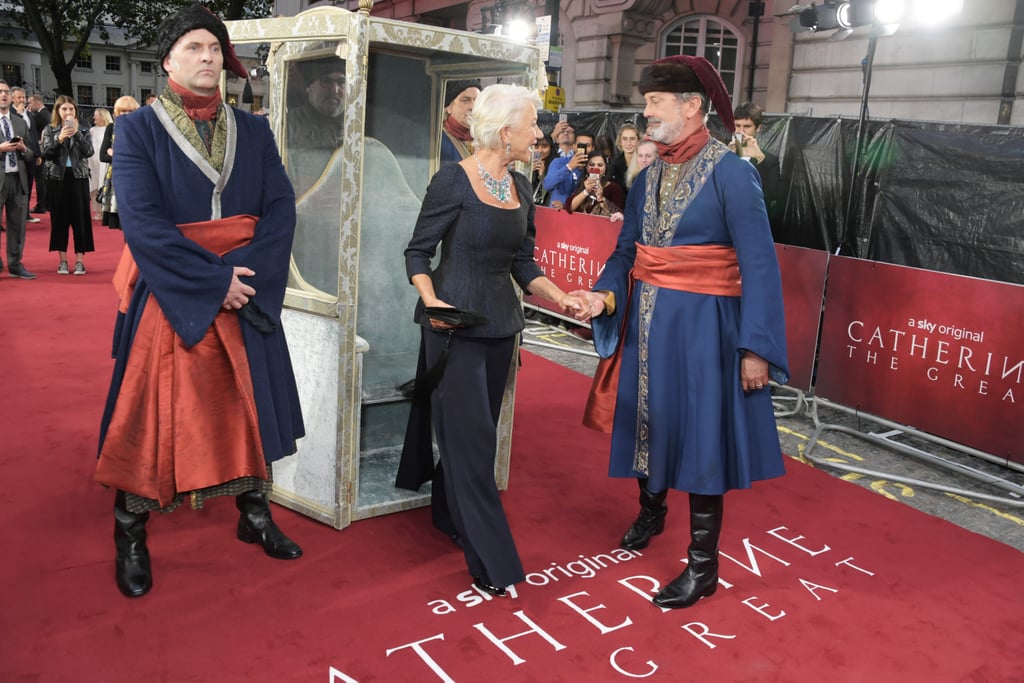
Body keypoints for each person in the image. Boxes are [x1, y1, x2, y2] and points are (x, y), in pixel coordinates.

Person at [94, 4, 305, 598]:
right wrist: (215, 284)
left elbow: (281, 209)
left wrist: (250, 280)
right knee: (155, 418)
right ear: (167, 61)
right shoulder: (136, 130)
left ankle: (254, 515)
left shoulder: (255, 129)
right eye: (194, 47)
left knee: (249, 409)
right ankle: (130, 529)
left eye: (215, 48)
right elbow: (142, 224)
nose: (208, 57)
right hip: (174, 289)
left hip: (247, 287)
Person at [570, 55, 789, 610]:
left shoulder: (734, 173)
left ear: (692, 107)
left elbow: (759, 264)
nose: (645, 112)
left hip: (706, 334)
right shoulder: (650, 174)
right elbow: (626, 253)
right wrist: (602, 293)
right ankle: (651, 511)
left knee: (702, 439)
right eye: (646, 103)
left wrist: (756, 347)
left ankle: (703, 566)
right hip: (645, 325)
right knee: (649, 418)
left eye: (654, 102)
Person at [400, 84, 586, 597]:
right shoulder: (451, 181)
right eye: (532, 125)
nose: (540, 134)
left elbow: (523, 263)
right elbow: (418, 253)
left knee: (474, 436)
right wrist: (432, 300)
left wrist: (560, 295)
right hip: (452, 325)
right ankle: (492, 560)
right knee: (472, 441)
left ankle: (445, 512)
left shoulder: (523, 188)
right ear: (506, 131)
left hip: (502, 327)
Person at [41, 96, 95, 275]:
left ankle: (80, 260)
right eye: (64, 109)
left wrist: (77, 134)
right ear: (58, 111)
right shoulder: (49, 130)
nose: (68, 112)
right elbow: (47, 154)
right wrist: (60, 139)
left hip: (79, 178)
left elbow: (89, 152)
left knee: (80, 220)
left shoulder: (85, 129)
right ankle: (62, 261)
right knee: (59, 220)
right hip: (57, 179)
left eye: (71, 109)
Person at [286, 54, 346, 197]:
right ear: (309, 88)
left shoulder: (357, 126)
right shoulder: (288, 126)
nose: (334, 90)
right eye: (326, 81)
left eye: (341, 82)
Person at [729, 102, 783, 238]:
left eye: (747, 126)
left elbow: (774, 194)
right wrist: (724, 157)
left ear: (758, 128)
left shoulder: (768, 160)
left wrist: (759, 157)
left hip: (752, 227)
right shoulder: (724, 152)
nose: (741, 131)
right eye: (737, 125)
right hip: (725, 224)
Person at [0, 80, 37, 279]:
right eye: (0, 92)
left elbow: (30, 153)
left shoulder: (20, 122)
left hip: (18, 179)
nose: (4, 95)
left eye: (6, 92)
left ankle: (15, 264)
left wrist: (23, 149)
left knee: (17, 225)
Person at [99, 96, 141, 230]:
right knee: (123, 225)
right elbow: (103, 156)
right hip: (117, 181)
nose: (127, 115)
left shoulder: (142, 130)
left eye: (131, 111)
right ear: (116, 113)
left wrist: (116, 153)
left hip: (138, 181)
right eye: (123, 111)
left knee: (137, 222)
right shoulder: (111, 128)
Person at [10, 87, 41, 224]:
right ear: (12, 98)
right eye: (19, 97)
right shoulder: (9, 113)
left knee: (27, 185)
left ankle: (25, 212)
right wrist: (18, 115)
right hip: (14, 157)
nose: (22, 100)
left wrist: (38, 154)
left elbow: (34, 135)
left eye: (23, 97)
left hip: (29, 155)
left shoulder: (29, 114)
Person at [543, 128, 593, 209]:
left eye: (587, 146)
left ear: (593, 148)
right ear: (574, 147)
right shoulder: (559, 162)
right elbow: (548, 185)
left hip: (581, 216)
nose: (583, 149)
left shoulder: (593, 167)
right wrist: (569, 167)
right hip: (558, 215)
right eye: (580, 145)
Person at [569, 150, 624, 218]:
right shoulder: (582, 185)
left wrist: (601, 198)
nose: (596, 168)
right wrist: (586, 191)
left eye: (600, 165)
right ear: (586, 167)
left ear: (605, 168)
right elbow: (570, 208)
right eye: (592, 165)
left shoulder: (613, 188)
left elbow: (618, 215)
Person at [439, 79, 480, 166]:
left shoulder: (486, 139)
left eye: (477, 101)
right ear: (449, 108)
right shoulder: (439, 140)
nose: (473, 107)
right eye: (465, 101)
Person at [88, 108, 112, 220]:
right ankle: (98, 211)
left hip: (104, 162)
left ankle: (106, 210)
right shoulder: (92, 130)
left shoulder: (109, 129)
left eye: (96, 115)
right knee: (94, 186)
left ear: (102, 116)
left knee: (103, 184)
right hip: (93, 162)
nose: (94, 117)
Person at [27, 93, 50, 214]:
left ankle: (41, 205)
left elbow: (29, 129)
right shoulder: (47, 113)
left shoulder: (40, 115)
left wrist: (28, 114)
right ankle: (46, 204)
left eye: (30, 102)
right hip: (45, 149)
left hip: (40, 150)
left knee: (40, 179)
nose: (28, 105)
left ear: (37, 102)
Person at [607, 122, 640, 192]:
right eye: (624, 139)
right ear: (620, 142)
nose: (628, 143)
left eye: (632, 139)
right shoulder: (614, 166)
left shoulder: (644, 163)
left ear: (638, 141)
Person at [530, 132, 557, 205]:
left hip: (547, 208)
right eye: (536, 146)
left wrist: (542, 175)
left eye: (544, 146)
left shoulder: (557, 165)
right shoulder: (527, 163)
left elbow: (553, 192)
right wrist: (530, 173)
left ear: (551, 148)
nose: (540, 150)